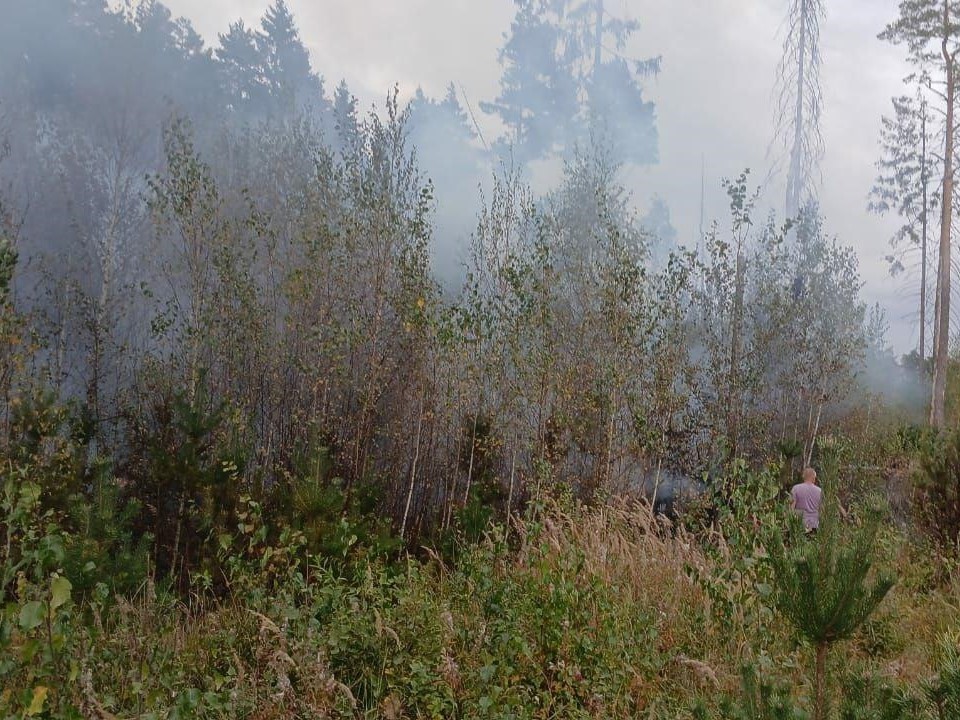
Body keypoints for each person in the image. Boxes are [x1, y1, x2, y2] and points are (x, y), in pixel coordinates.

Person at [791, 466, 822, 533]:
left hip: (800, 524)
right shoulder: (820, 491)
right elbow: (822, 509)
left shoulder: (795, 488)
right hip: (814, 524)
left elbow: (791, 507)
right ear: (814, 478)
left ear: (803, 477)